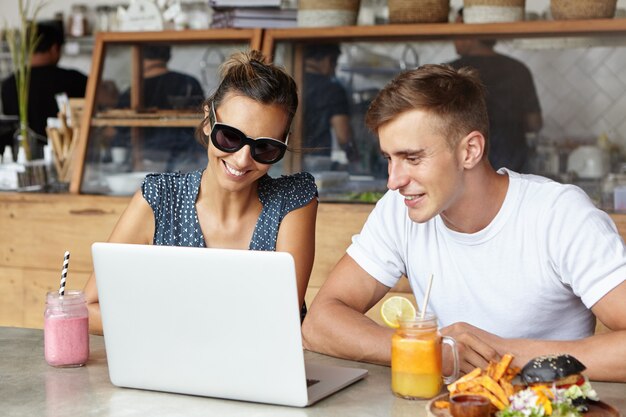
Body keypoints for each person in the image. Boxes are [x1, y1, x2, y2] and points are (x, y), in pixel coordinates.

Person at [301, 64, 626, 382]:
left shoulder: (560, 215)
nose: (393, 180)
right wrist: (427, 350)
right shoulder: (400, 210)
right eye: (389, 158)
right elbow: (320, 322)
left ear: (470, 150)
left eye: (412, 158)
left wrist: (503, 354)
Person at [85, 50, 319, 335]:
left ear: (283, 143)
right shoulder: (160, 198)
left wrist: (165, 320)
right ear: (208, 121)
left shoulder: (293, 201)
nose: (243, 160)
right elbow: (88, 307)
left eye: (265, 148)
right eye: (230, 137)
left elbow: (280, 320)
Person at [449, 8, 542, 173]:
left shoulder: (449, 72)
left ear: (469, 34)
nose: (453, 38)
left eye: (456, 30)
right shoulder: (518, 69)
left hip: (464, 168)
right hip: (513, 167)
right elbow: (534, 123)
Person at [1, 20, 88, 159]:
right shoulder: (75, 80)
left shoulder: (10, 84)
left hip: (19, 158)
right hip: (67, 158)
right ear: (55, 48)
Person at [115, 44, 206, 171]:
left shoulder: (132, 92)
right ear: (168, 56)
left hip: (145, 162)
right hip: (187, 161)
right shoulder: (189, 82)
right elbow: (203, 124)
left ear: (138, 57)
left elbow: (117, 132)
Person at [302, 44, 358, 170]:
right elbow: (343, 135)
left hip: (283, 161)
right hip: (316, 164)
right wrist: (355, 160)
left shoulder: (289, 82)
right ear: (328, 60)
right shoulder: (332, 89)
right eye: (335, 64)